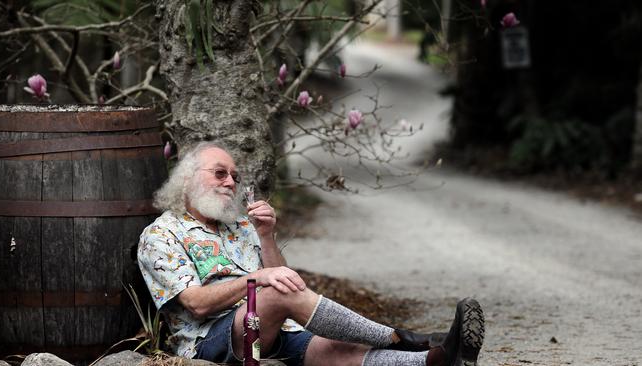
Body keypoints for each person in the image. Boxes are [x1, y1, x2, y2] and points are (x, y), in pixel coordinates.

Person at [137, 141, 485, 366]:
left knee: (336, 350)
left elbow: (286, 280)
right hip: (211, 341)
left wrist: (267, 236)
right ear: (186, 180)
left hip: (274, 330)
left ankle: (435, 359)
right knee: (272, 293)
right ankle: (401, 336)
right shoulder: (161, 235)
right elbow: (196, 303)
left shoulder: (240, 226)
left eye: (234, 175)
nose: (231, 182)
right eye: (220, 173)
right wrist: (256, 279)